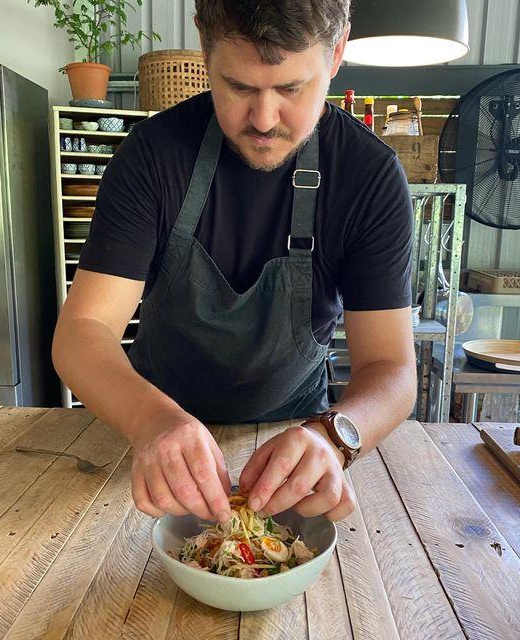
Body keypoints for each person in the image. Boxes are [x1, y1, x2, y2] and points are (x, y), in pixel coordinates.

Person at [52, 0, 416, 525]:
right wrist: (151, 421)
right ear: (205, 47)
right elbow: (82, 331)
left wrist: (335, 436)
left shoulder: (369, 177)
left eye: (291, 89)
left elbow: (392, 369)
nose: (264, 120)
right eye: (239, 87)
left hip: (298, 435)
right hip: (148, 432)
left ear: (336, 53)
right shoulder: (153, 154)